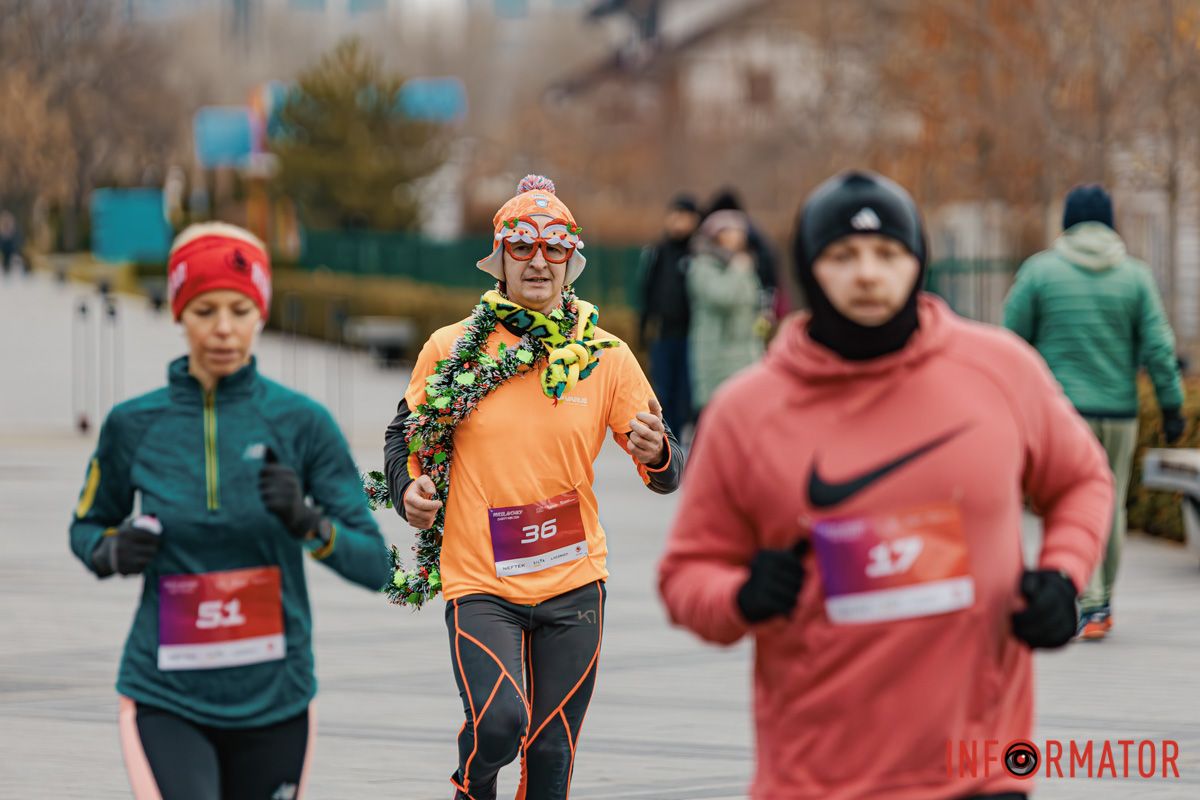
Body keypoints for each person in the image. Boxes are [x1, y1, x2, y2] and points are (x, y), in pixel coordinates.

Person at [658, 171, 1113, 800]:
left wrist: (1064, 576)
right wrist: (740, 596)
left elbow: (1082, 478)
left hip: (982, 769)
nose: (868, 274)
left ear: (917, 260)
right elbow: (685, 574)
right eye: (843, 256)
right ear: (809, 269)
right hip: (817, 777)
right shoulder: (745, 411)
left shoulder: (1001, 370)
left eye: (887, 253)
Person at [383, 175, 684, 800]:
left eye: (554, 248)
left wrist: (658, 453)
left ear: (572, 260)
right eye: (522, 247)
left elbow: (664, 464)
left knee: (551, 756)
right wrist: (410, 492)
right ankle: (473, 780)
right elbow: (402, 439)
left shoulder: (607, 355)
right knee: (499, 725)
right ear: (499, 260)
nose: (539, 262)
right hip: (481, 578)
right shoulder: (452, 349)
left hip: (573, 578)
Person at [69, 222, 390, 800]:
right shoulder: (133, 425)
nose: (223, 329)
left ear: (260, 313)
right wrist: (110, 551)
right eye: (204, 309)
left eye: (240, 310)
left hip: (276, 696)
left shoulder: (303, 422)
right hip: (166, 694)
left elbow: (376, 564)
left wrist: (307, 522)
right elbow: (86, 527)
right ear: (178, 313)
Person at [1003, 183, 1186, 640]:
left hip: (1060, 412)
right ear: (1109, 223)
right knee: (1113, 503)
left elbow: (1008, 343)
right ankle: (1100, 604)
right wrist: (1171, 405)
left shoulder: (1040, 273)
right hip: (1120, 413)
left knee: (1064, 501)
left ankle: (1087, 599)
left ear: (1066, 223)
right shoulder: (1135, 276)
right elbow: (1160, 347)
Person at [686, 208, 764, 422]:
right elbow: (722, 297)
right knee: (720, 413)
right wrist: (738, 271)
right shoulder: (703, 264)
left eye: (740, 231)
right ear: (716, 234)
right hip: (716, 352)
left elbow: (750, 301)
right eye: (731, 231)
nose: (737, 236)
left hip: (746, 350)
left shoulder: (740, 261)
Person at [638, 193, 701, 437]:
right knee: (664, 391)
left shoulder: (698, 253)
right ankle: (668, 439)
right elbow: (648, 290)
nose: (678, 221)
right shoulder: (659, 251)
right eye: (675, 215)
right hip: (664, 333)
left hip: (691, 335)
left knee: (686, 392)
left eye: (684, 216)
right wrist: (644, 328)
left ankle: (684, 439)